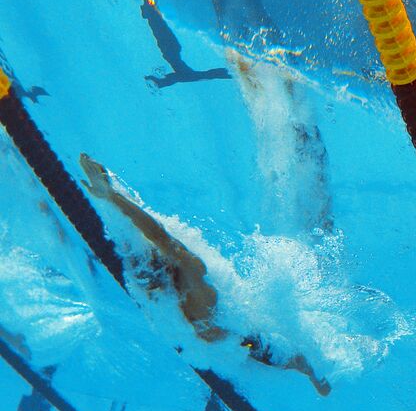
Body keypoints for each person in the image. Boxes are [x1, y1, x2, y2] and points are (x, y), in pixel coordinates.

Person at [79, 154, 331, 395]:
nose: (150, 282)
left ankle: (314, 375)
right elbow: (148, 237)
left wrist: (112, 197)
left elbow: (159, 234)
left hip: (242, 339)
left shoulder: (191, 275)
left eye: (153, 273)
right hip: (207, 336)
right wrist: (108, 197)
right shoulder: (163, 290)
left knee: (283, 359)